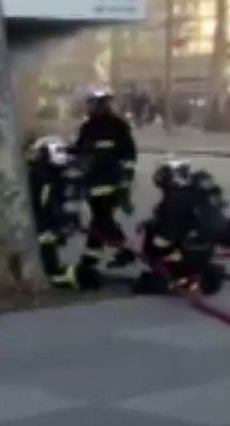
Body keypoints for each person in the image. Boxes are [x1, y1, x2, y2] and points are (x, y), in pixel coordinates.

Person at [135, 160, 225, 295]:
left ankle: (165, 276)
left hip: (186, 253)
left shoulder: (177, 200)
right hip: (206, 249)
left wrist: (152, 247)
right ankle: (201, 273)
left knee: (155, 246)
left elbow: (167, 234)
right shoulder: (202, 197)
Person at [74, 83, 138, 269]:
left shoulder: (118, 126)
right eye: (91, 103)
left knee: (102, 219)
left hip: (112, 183)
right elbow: (80, 151)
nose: (92, 107)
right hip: (92, 183)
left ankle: (123, 251)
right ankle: (92, 257)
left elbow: (129, 155)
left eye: (95, 103)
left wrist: (126, 181)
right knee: (99, 219)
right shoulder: (87, 127)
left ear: (104, 103)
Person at [28, 136, 99, 289]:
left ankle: (65, 275)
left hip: (44, 232)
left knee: (49, 256)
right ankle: (66, 277)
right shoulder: (43, 177)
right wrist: (62, 222)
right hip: (41, 232)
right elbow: (44, 207)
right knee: (49, 265)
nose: (67, 157)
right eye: (62, 152)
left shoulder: (49, 175)